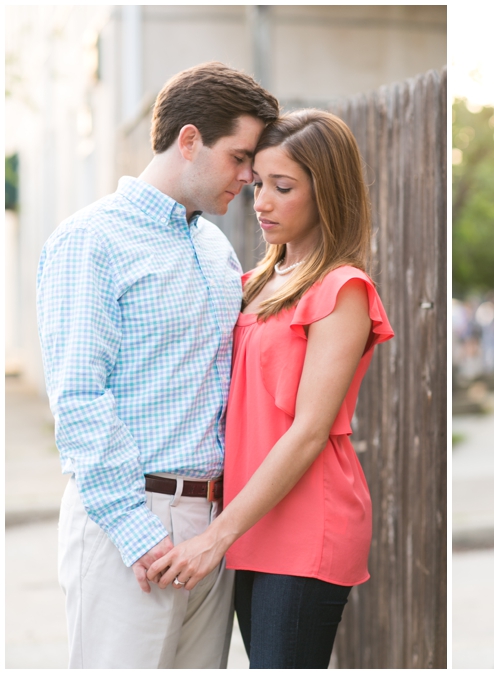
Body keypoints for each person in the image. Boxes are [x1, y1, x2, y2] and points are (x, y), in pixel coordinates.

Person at [36, 62, 279, 668]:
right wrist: (140, 535)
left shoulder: (214, 246)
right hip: (130, 520)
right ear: (189, 139)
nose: (250, 178)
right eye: (239, 157)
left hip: (213, 525)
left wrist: (215, 532)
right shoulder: (89, 240)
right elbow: (78, 401)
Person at [147, 109, 394, 668]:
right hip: (250, 521)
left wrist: (216, 536)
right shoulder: (257, 278)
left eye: (283, 188)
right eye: (258, 184)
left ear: (325, 192)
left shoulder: (341, 289)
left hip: (306, 523)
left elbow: (309, 431)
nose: (260, 202)